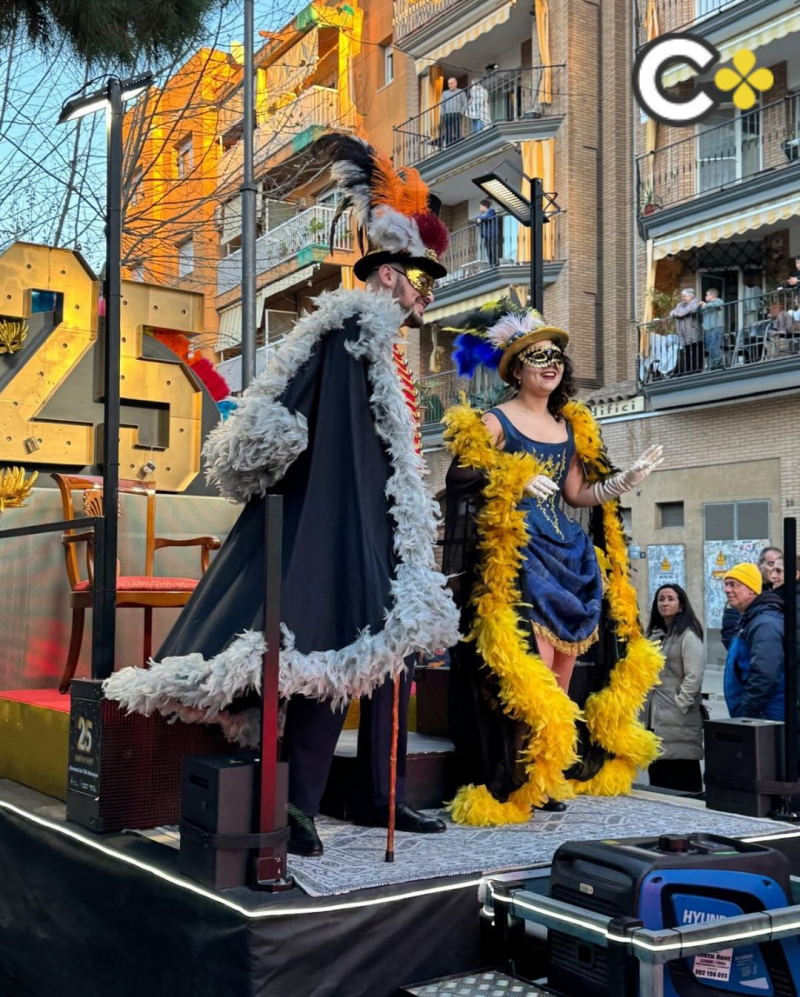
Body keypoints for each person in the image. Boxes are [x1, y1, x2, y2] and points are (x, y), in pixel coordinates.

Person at [104, 134, 460, 857]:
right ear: (392, 272)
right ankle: (297, 802)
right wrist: (271, 454)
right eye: (423, 278)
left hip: (387, 526)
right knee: (332, 656)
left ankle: (379, 796)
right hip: (338, 521)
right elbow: (285, 416)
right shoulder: (347, 328)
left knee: (392, 657)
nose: (429, 292)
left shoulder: (388, 348)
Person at [442, 299, 665, 825]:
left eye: (557, 357)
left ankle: (546, 775)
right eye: (538, 356)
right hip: (518, 555)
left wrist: (622, 482)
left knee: (563, 675)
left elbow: (577, 494)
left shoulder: (568, 427)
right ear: (515, 369)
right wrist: (514, 476)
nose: (551, 364)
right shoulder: (495, 421)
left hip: (568, 551)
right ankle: (516, 780)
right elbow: (459, 477)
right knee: (532, 673)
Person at [643, 585, 706, 794]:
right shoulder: (654, 635)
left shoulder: (688, 636)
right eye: (661, 599)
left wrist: (681, 703)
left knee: (682, 771)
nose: (665, 603)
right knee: (659, 772)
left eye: (670, 599)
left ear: (681, 606)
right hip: (655, 716)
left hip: (679, 716)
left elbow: (694, 675)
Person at [723, 563, 785, 721]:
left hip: (765, 718)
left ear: (751, 588)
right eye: (726, 584)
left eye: (733, 585)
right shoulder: (750, 619)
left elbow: (764, 675)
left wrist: (747, 713)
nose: (727, 590)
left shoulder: (764, 623)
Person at [721, 546, 782, 650]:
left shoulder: (785, 593)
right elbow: (730, 636)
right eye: (771, 564)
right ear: (759, 565)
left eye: (779, 568)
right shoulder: (743, 598)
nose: (773, 571)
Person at [669, 288, 702, 374]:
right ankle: (688, 369)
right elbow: (672, 313)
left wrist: (679, 314)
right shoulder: (680, 305)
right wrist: (675, 314)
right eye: (682, 296)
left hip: (693, 331)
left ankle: (697, 368)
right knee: (687, 352)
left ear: (690, 296)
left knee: (696, 351)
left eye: (684, 296)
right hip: (683, 333)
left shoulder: (695, 302)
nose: (682, 298)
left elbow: (689, 310)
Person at [699, 288, 724, 370]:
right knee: (709, 347)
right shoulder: (706, 305)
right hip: (708, 329)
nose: (705, 297)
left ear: (712, 295)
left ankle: (718, 362)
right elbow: (698, 311)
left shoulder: (718, 301)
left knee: (714, 345)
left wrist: (705, 305)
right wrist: (700, 305)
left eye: (707, 295)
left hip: (716, 328)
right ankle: (714, 363)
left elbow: (718, 304)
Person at [438, 77, 467, 147]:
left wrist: (461, 112)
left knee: (457, 130)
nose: (449, 85)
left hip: (457, 113)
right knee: (448, 131)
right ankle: (448, 146)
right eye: (449, 84)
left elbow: (465, 103)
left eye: (451, 83)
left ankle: (459, 145)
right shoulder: (445, 93)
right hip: (447, 114)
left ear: (456, 83)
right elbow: (442, 105)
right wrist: (443, 114)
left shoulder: (461, 92)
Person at [476, 198, 500, 266]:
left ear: (485, 206)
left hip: (492, 234)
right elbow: (476, 221)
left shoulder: (491, 211)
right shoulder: (481, 214)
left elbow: (487, 217)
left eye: (480, 206)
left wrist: (480, 219)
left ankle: (496, 263)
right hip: (486, 235)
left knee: (493, 249)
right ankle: (491, 264)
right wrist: (478, 220)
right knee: (488, 251)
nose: (480, 208)